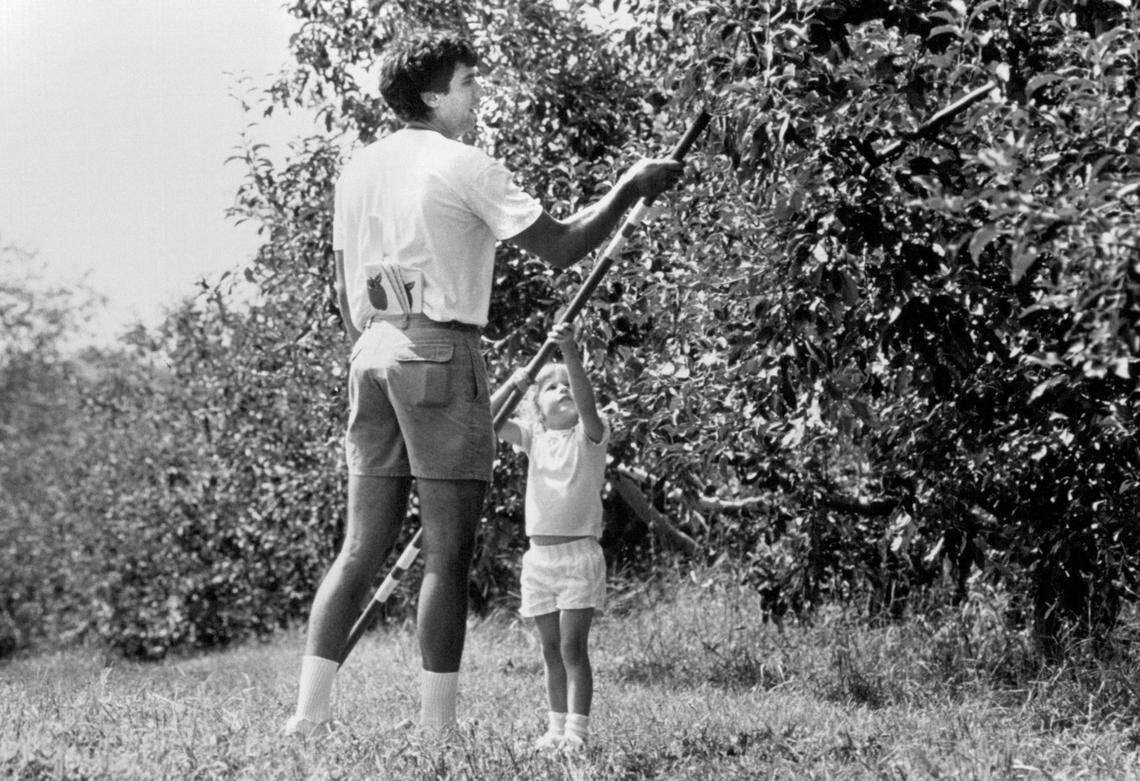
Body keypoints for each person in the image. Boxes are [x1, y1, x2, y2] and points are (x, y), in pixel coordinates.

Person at [283, 30, 683, 738]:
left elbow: (343, 295)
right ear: (433, 94)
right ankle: (437, 731)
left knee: (358, 546)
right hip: (439, 351)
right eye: (468, 81)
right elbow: (561, 247)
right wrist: (630, 186)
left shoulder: (358, 171)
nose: (478, 92)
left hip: (370, 351)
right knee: (448, 549)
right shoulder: (463, 165)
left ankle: (308, 715)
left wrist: (388, 336)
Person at [494, 322, 609, 751]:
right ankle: (555, 728)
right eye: (551, 387)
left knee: (572, 647)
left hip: (578, 556)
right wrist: (517, 381)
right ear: (536, 409)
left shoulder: (590, 437)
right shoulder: (533, 439)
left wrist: (569, 353)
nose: (562, 390)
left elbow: (587, 402)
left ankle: (577, 733)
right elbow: (484, 422)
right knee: (549, 651)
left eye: (567, 386)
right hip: (538, 560)